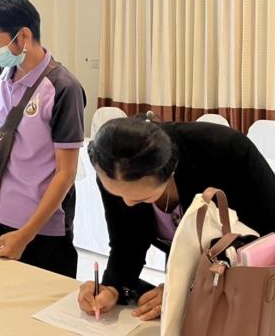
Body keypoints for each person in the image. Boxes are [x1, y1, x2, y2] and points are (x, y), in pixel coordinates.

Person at [77, 115, 275, 321]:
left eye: (142, 198)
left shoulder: (226, 151)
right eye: (117, 194)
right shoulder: (113, 166)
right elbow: (127, 241)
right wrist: (112, 287)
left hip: (251, 284)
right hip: (194, 275)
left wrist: (186, 289)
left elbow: (266, 241)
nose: (127, 203)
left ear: (170, 170)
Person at [0, 0, 86, 278]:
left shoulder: (63, 88)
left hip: (42, 229)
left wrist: (26, 234)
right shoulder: (3, 75)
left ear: (23, 36)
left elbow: (66, 172)